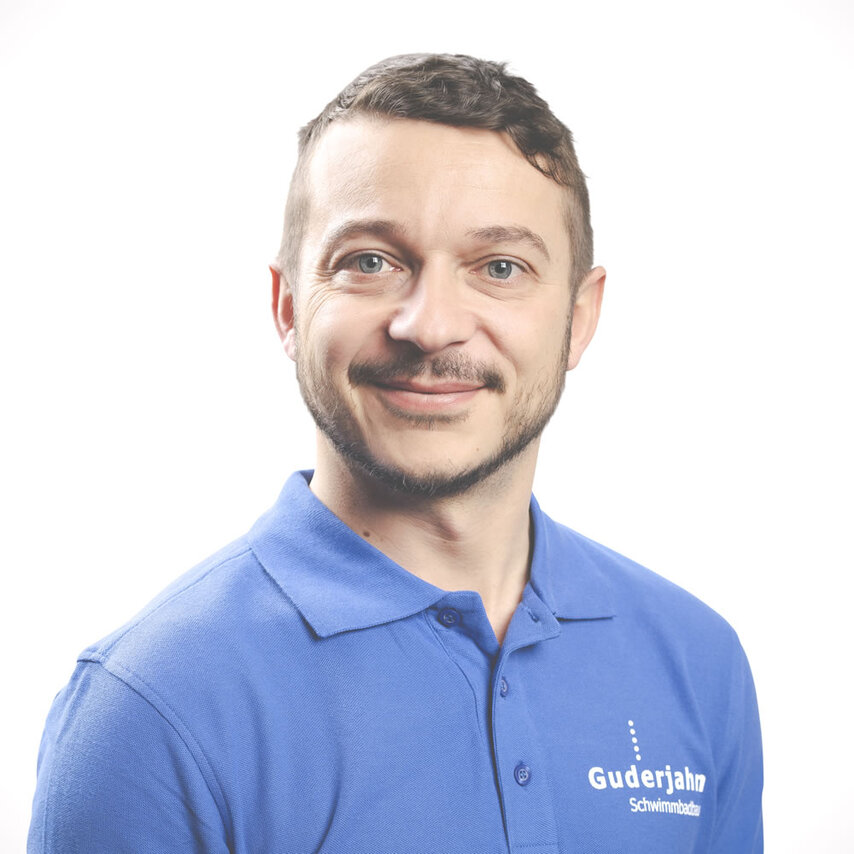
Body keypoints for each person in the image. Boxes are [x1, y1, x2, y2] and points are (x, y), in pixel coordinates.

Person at [28, 54, 763, 853]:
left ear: (579, 318)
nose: (430, 325)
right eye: (370, 262)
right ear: (287, 307)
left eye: (500, 267)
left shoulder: (697, 660)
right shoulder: (152, 708)